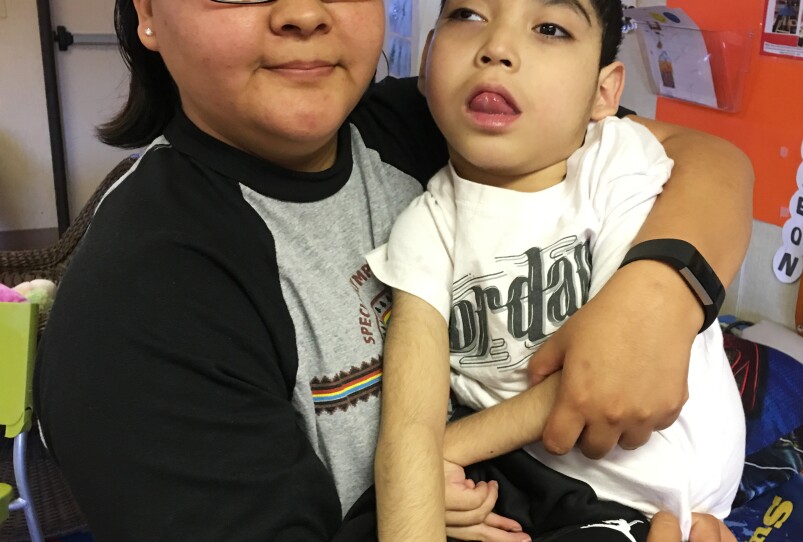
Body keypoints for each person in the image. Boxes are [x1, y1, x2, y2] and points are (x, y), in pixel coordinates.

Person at [33, 0, 752, 541]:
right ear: (149, 14)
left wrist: (658, 295)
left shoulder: (434, 121)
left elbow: (703, 159)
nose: (304, 13)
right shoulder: (138, 305)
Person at [368, 1, 744, 541]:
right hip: (528, 481)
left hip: (643, 495)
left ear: (604, 93)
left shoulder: (620, 166)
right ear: (426, 62)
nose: (496, 48)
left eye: (549, 28)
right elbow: (408, 422)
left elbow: (608, 373)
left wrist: (440, 453)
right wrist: (420, 473)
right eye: (469, 15)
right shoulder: (423, 228)